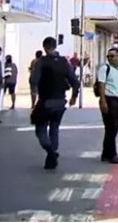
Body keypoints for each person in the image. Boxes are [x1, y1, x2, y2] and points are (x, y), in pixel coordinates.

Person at [31, 37, 80, 170]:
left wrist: (34, 95)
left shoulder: (42, 62)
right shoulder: (64, 62)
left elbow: (34, 80)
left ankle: (50, 152)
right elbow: (75, 81)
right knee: (54, 128)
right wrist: (74, 97)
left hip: (46, 101)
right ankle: (52, 153)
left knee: (40, 128)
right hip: (61, 102)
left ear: (45, 47)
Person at [97, 47, 118, 164]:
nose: (110, 58)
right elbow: (101, 84)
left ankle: (105, 154)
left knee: (113, 128)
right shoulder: (104, 68)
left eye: (113, 56)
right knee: (111, 127)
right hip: (108, 99)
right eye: (109, 56)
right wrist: (103, 101)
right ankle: (113, 154)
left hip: (117, 101)